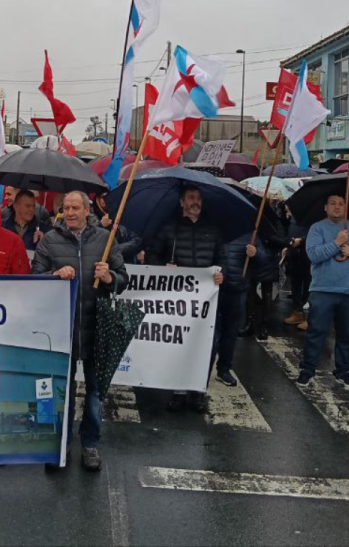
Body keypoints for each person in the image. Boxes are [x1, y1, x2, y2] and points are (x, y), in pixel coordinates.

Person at [31, 190, 128, 471]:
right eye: (66, 208)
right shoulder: (50, 241)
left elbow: (124, 281)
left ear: (88, 210)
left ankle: (90, 444)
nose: (70, 213)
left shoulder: (106, 240)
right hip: (63, 327)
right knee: (64, 389)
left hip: (97, 328)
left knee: (96, 391)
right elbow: (35, 280)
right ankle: (61, 444)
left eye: (75, 208)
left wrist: (110, 277)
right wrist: (54, 276)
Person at [147, 186, 225, 412]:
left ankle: (198, 390)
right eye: (191, 198)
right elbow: (153, 254)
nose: (196, 202)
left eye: (199, 198)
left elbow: (223, 257)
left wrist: (223, 274)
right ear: (181, 202)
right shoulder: (169, 228)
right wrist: (163, 267)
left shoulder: (213, 230)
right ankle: (178, 390)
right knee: (179, 343)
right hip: (178, 300)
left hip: (206, 301)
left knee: (206, 344)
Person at [295, 194, 349, 390]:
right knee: (316, 331)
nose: (337, 207)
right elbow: (314, 255)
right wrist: (336, 243)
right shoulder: (317, 228)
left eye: (341, 204)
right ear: (325, 207)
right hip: (322, 289)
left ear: (346, 207)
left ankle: (343, 370)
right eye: (332, 203)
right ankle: (308, 369)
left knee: (346, 334)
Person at [216, 234, 258, 385]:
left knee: (230, 332)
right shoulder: (213, 229)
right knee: (209, 334)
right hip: (213, 289)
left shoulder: (251, 234)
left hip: (237, 288)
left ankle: (224, 369)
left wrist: (256, 254)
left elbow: (266, 261)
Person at [92, 193, 143, 264]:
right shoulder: (90, 216)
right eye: (102, 197)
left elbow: (136, 240)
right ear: (97, 199)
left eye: (108, 196)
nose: (105, 200)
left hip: (123, 262)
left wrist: (115, 249)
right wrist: (101, 225)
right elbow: (89, 238)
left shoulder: (125, 216)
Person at [284, 206, 311, 331]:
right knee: (295, 284)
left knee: (308, 287)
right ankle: (297, 312)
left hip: (308, 256)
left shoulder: (313, 218)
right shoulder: (294, 217)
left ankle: (308, 316)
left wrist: (301, 241)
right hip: (294, 255)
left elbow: (313, 236)